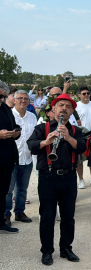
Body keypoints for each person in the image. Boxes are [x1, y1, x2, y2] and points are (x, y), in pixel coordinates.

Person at [27, 94, 86, 265]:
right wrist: (46, 142)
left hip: (68, 176)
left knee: (68, 216)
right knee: (47, 216)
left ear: (72, 111)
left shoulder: (75, 131)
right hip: (48, 177)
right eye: (61, 105)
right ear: (53, 109)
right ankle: (47, 251)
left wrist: (68, 137)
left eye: (68, 106)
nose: (64, 109)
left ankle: (66, 248)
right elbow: (31, 146)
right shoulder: (42, 127)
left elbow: (82, 147)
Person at [4, 90, 37, 226]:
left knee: (22, 189)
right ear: (14, 100)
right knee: (8, 190)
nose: (23, 100)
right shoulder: (8, 116)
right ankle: (6, 214)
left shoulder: (32, 116)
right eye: (20, 98)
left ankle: (19, 212)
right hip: (11, 158)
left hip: (27, 158)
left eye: (26, 98)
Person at [0, 81, 21, 234]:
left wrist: (16, 132)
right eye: (0, 95)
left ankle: (1, 222)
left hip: (6, 156)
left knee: (3, 190)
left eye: (4, 96)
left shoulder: (5, 109)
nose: (1, 99)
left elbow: (14, 124)